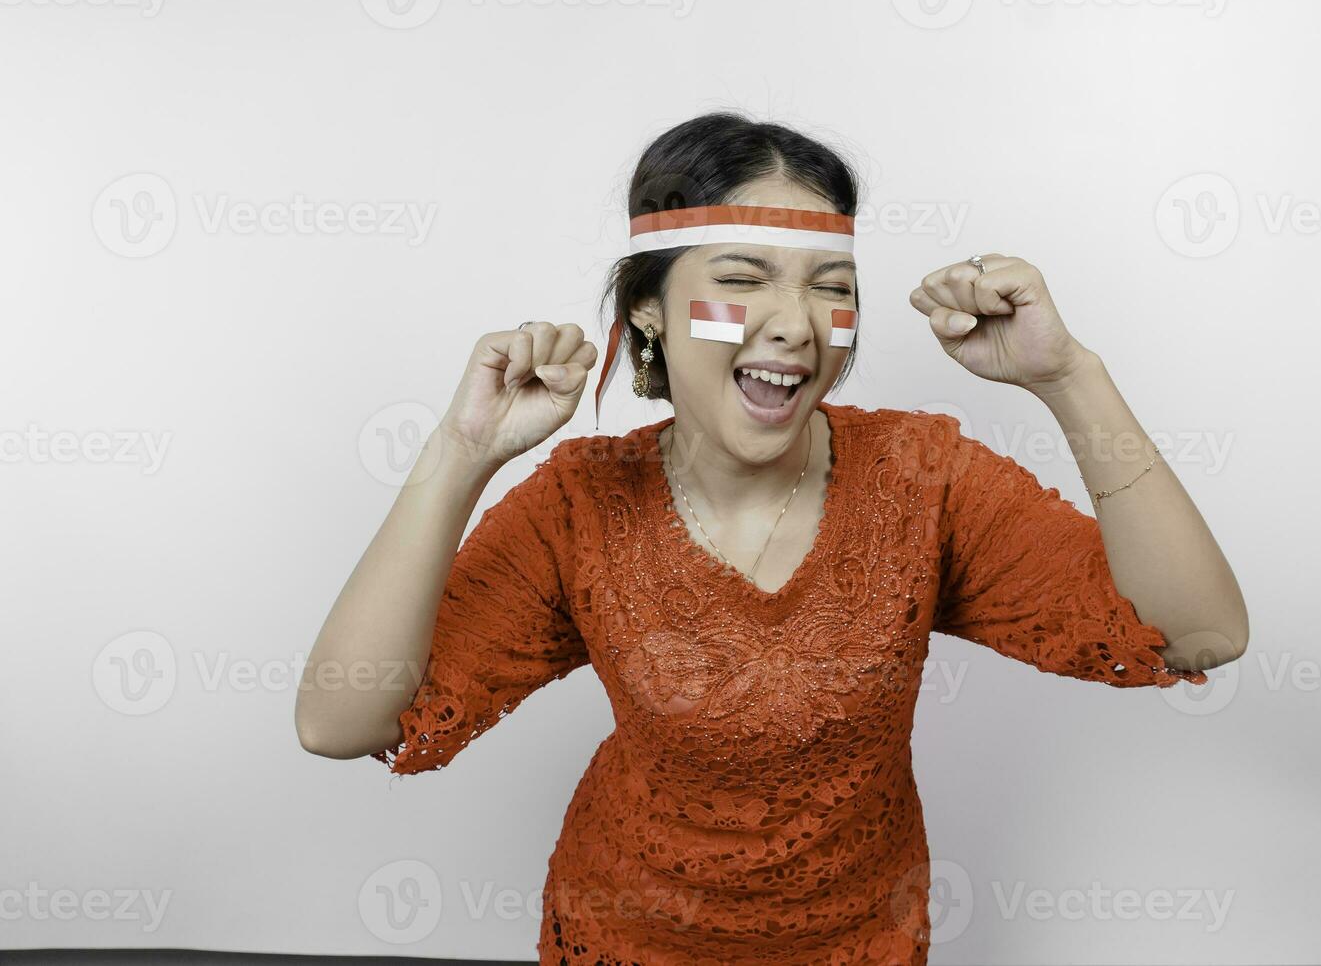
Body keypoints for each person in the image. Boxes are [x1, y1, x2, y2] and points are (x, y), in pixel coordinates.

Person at [295, 111, 1249, 964]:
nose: (796, 325)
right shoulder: (580, 505)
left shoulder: (925, 476)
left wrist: (1067, 374)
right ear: (647, 311)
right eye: (743, 280)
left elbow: (1198, 632)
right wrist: (462, 455)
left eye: (831, 287)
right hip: (624, 940)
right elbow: (339, 723)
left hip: (862, 943)